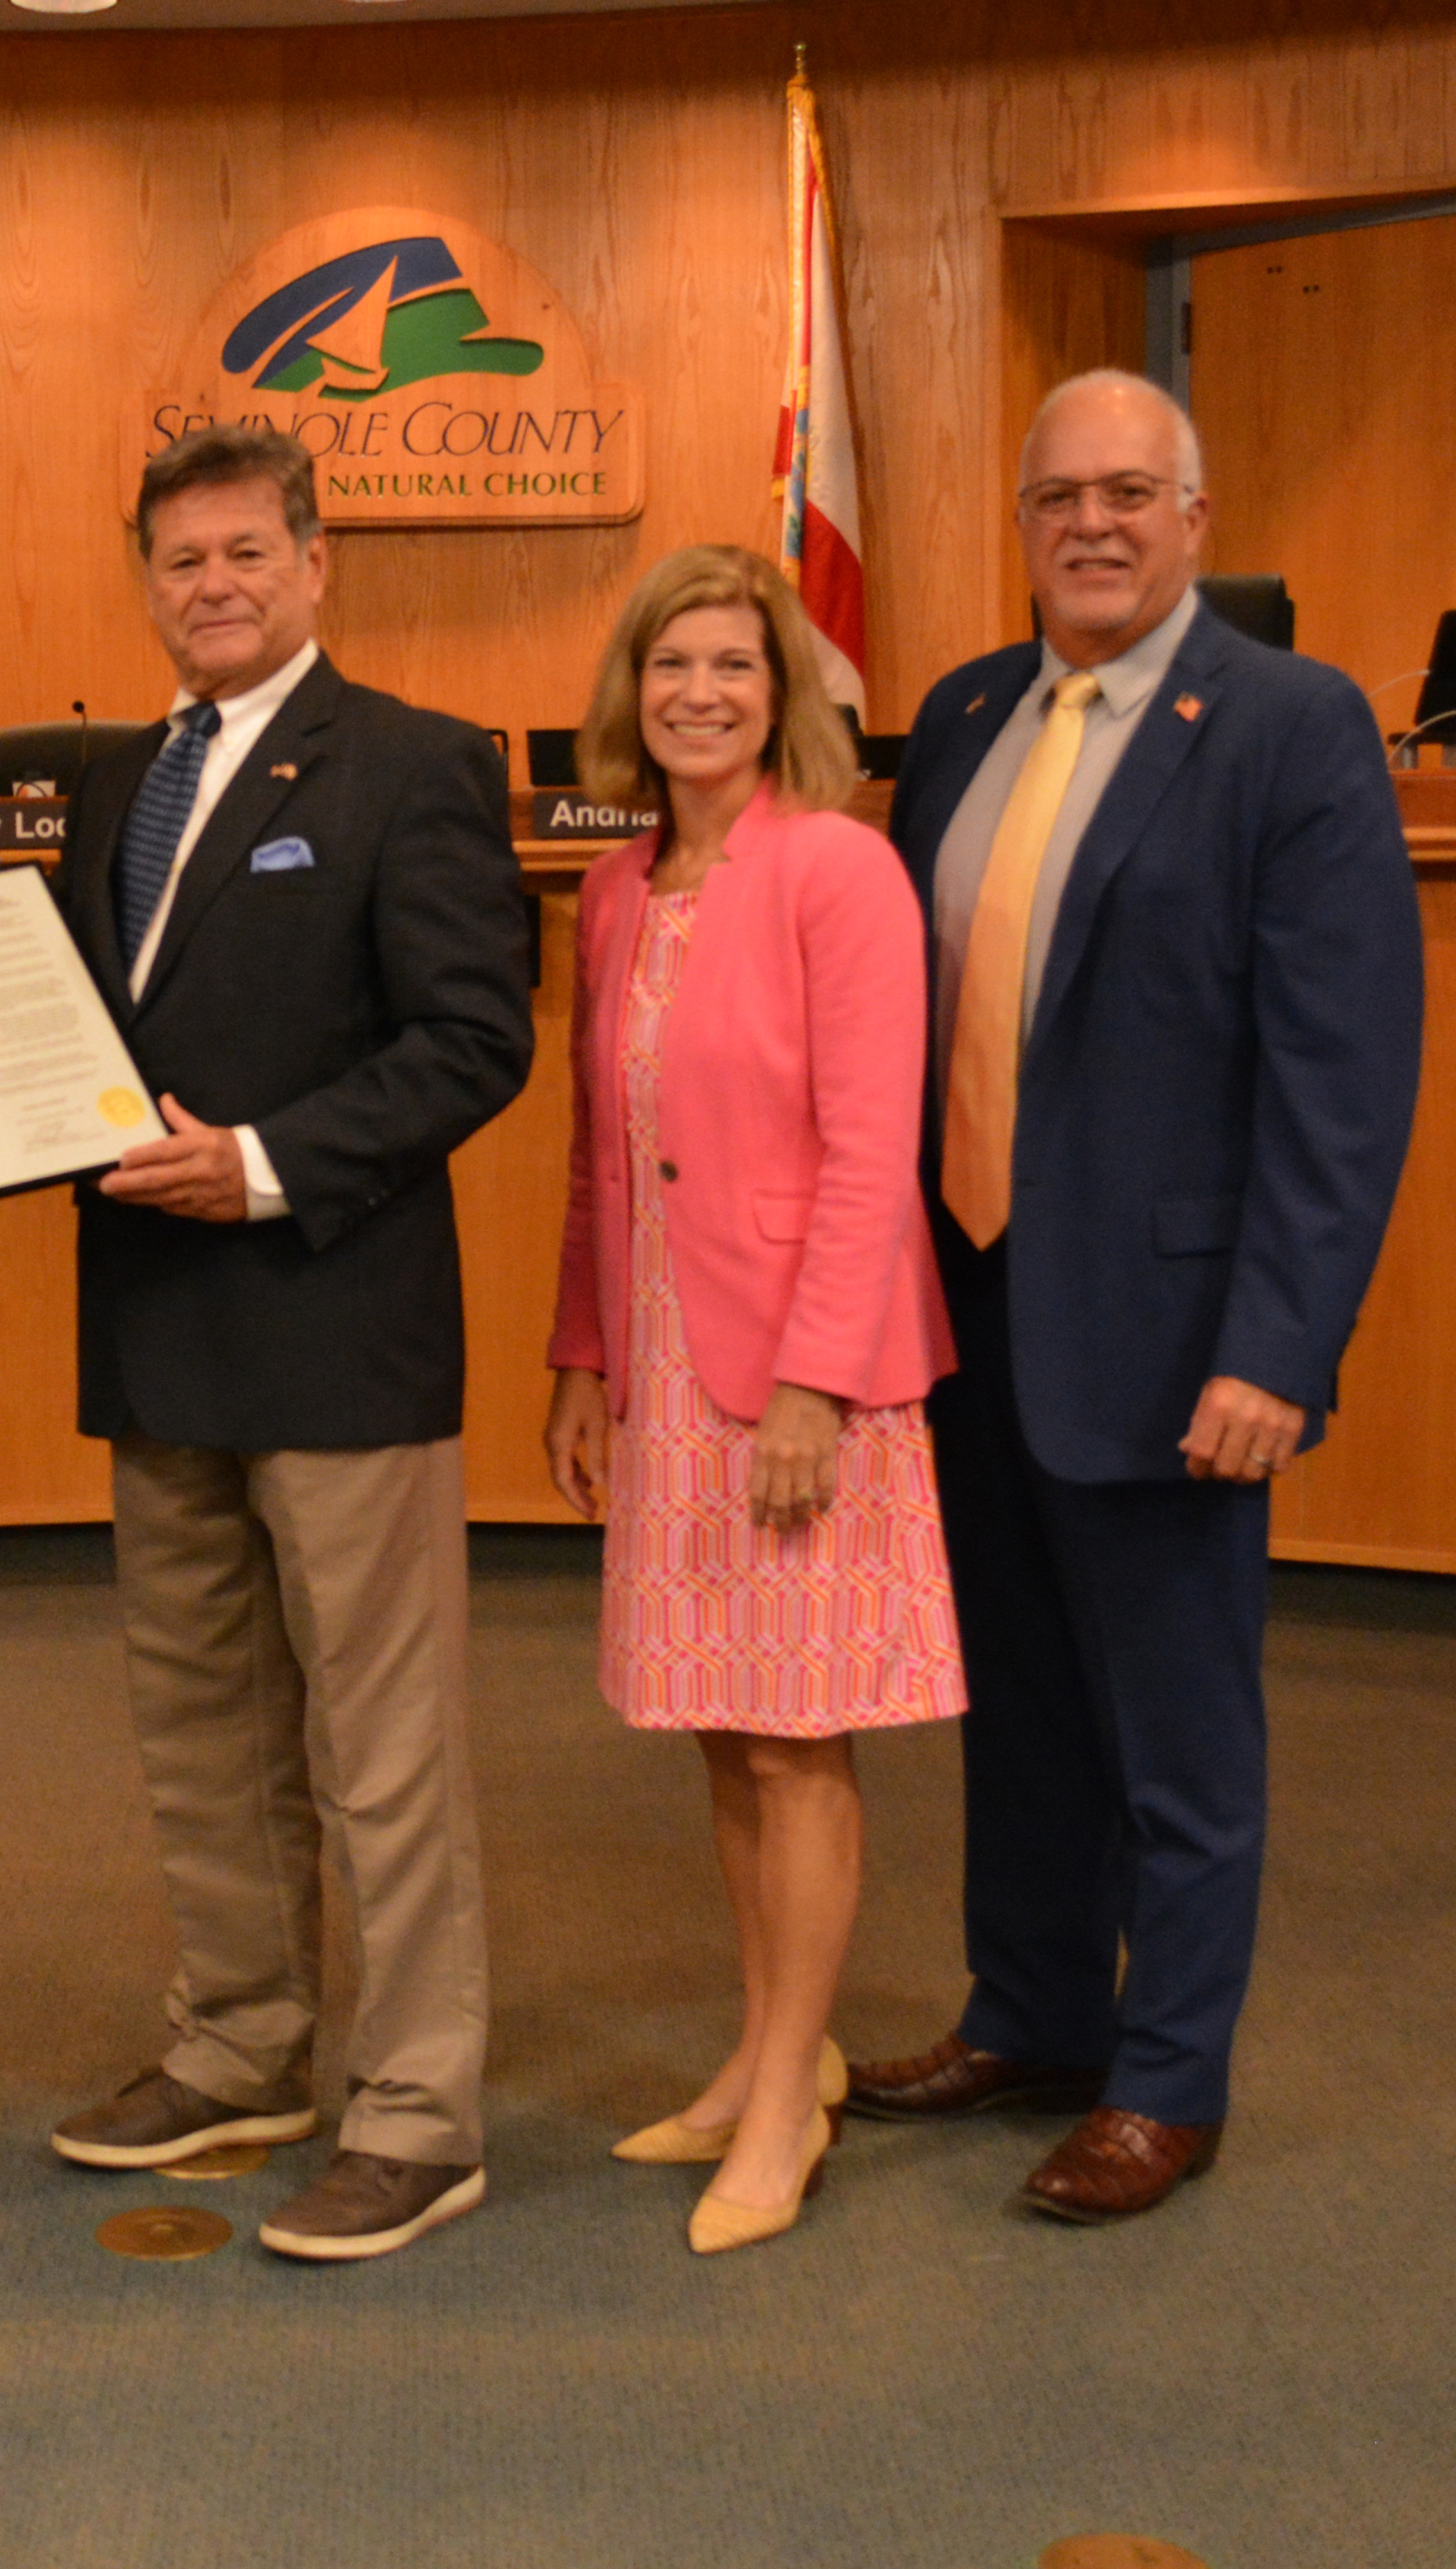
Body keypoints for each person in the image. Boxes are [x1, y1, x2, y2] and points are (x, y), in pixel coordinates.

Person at [848, 369, 1424, 2222]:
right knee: (1013, 1696)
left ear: (1194, 516)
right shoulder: (956, 715)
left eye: (1129, 494)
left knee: (1179, 1727)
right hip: (971, 1311)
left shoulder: (1288, 724)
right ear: (1021, 524)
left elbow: (1344, 1076)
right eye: (1058, 498)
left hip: (1176, 1338)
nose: (1091, 526)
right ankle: (1033, 2011)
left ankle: (1169, 2073)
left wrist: (1280, 1345)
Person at [42, 425, 536, 2263]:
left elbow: (475, 1040)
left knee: (379, 1746)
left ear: (316, 564)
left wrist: (258, 1166)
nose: (215, 586)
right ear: (150, 581)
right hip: (156, 1332)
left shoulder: (418, 767)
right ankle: (242, 2045)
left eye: (248, 552)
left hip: (337, 1330)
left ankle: (418, 2109)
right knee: (199, 1727)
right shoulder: (125, 778)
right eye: (181, 561)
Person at [541, 546, 966, 2254]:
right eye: (671, 667)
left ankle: (793, 2094)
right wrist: (582, 1359)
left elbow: (877, 1153)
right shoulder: (622, 887)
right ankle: (765, 2049)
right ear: (629, 696)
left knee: (801, 1741)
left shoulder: (840, 872)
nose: (699, 694)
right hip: (663, 1366)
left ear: (785, 692)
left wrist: (814, 1383)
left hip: (804, 1380)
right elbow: (599, 1156)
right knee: (727, 1731)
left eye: (732, 665)